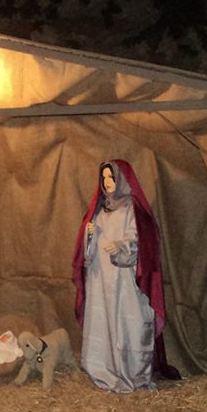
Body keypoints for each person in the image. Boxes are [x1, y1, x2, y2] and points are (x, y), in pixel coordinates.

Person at [71, 160, 180, 392]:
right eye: (104, 178)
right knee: (103, 324)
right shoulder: (99, 210)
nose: (108, 182)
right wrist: (89, 236)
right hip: (100, 280)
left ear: (122, 179)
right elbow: (85, 254)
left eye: (112, 177)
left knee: (129, 325)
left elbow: (143, 244)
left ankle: (131, 373)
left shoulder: (133, 210)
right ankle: (103, 369)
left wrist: (121, 248)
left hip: (126, 282)